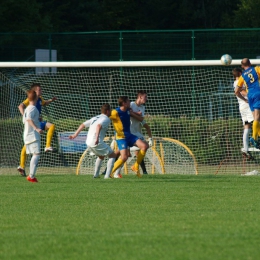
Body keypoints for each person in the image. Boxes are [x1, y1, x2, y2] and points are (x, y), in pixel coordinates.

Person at [17, 83, 57, 176]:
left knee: (51, 126)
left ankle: (22, 166)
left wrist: (51, 100)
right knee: (27, 146)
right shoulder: (30, 100)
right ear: (35, 92)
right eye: (39, 90)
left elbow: (44, 103)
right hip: (33, 124)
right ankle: (23, 167)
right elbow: (20, 106)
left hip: (37, 122)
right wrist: (26, 116)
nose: (41, 91)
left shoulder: (40, 99)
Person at [69, 104, 118, 179]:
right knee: (113, 155)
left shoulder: (95, 117)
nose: (111, 112)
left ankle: (96, 175)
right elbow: (99, 126)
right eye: (110, 110)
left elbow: (82, 125)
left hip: (88, 142)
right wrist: (97, 138)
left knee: (101, 156)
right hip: (95, 141)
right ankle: (107, 176)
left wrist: (75, 135)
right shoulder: (106, 119)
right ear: (107, 111)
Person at [109, 96, 149, 178]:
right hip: (121, 138)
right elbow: (107, 117)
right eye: (128, 101)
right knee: (124, 157)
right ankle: (109, 173)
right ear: (124, 103)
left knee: (145, 146)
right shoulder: (115, 112)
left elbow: (131, 113)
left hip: (129, 135)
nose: (130, 103)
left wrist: (137, 114)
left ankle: (135, 166)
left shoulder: (127, 110)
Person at [236, 58, 260, 148]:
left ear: (242, 66)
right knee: (257, 117)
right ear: (250, 63)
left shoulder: (242, 77)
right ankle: (254, 138)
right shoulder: (257, 69)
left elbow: (236, 91)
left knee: (255, 118)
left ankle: (258, 138)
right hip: (258, 92)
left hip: (249, 95)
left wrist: (244, 99)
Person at [233, 68, 254, 160]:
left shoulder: (235, 82)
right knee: (256, 121)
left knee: (247, 127)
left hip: (242, 108)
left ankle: (245, 148)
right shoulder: (239, 81)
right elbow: (241, 91)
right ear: (240, 73)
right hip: (247, 106)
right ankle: (255, 140)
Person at [23, 89, 43, 182]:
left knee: (35, 154)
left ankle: (31, 176)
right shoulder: (32, 108)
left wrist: (37, 119)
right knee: (36, 154)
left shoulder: (27, 108)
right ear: (36, 97)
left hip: (28, 134)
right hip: (32, 135)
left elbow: (26, 119)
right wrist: (36, 128)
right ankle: (31, 176)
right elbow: (28, 119)